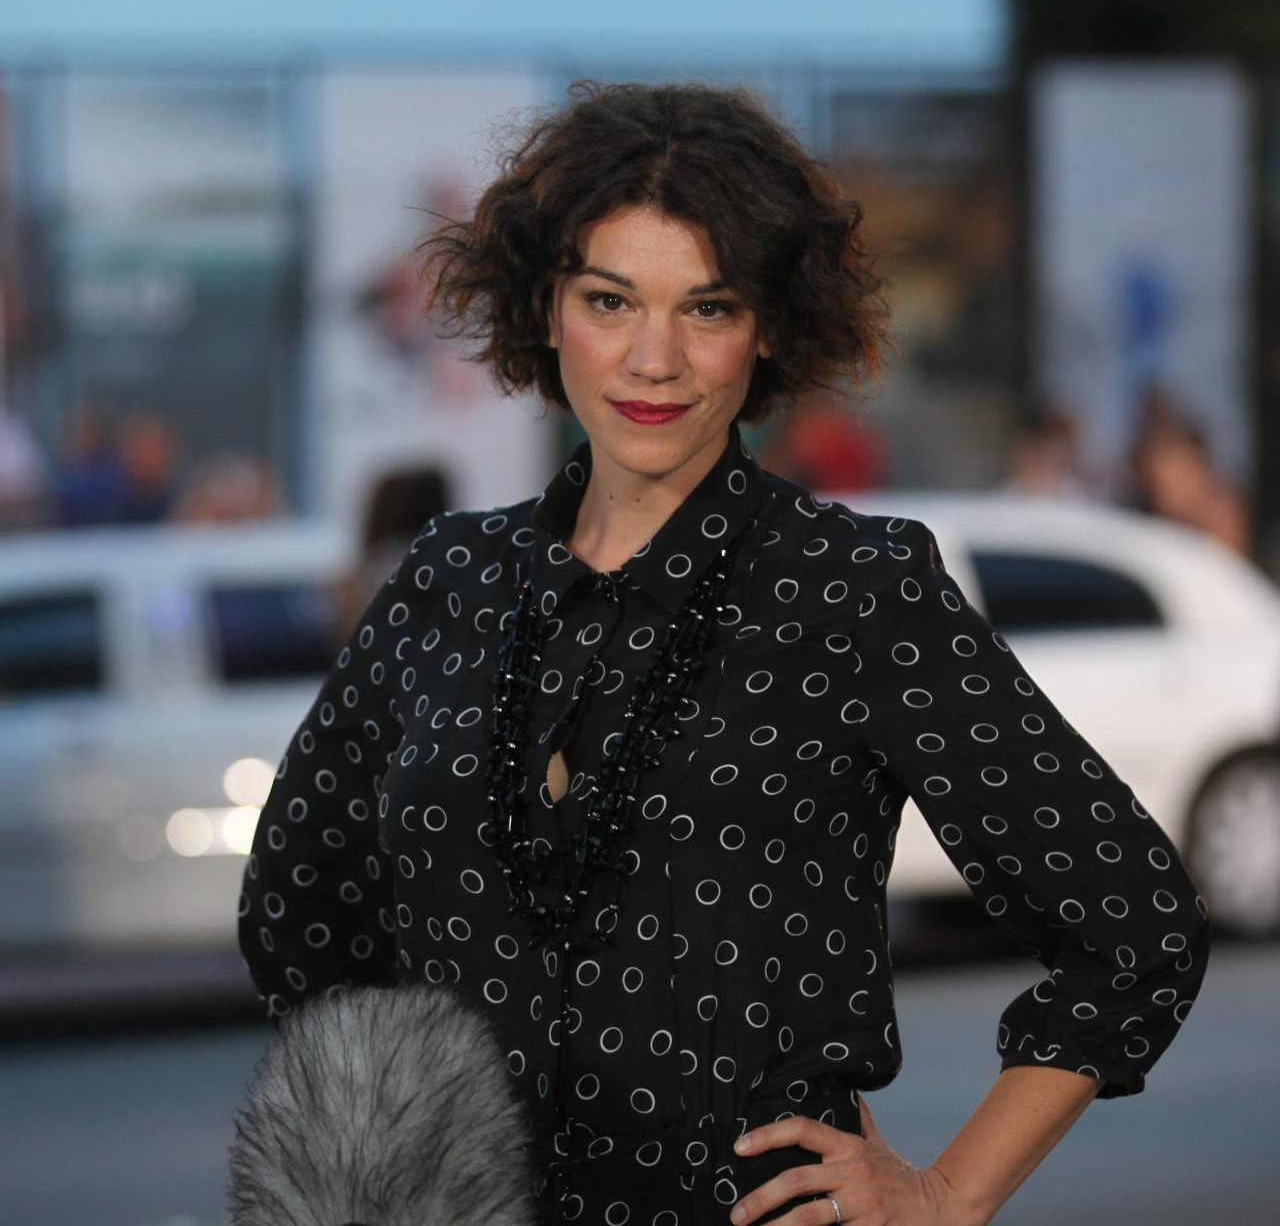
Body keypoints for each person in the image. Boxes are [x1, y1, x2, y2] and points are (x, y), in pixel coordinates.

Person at [238, 81, 1212, 1226]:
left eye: (706, 307)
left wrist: (947, 1193)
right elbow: (299, 917)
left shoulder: (856, 590)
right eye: (609, 299)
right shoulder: (445, 581)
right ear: (546, 308)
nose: (652, 358)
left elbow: (1134, 925)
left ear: (769, 327)